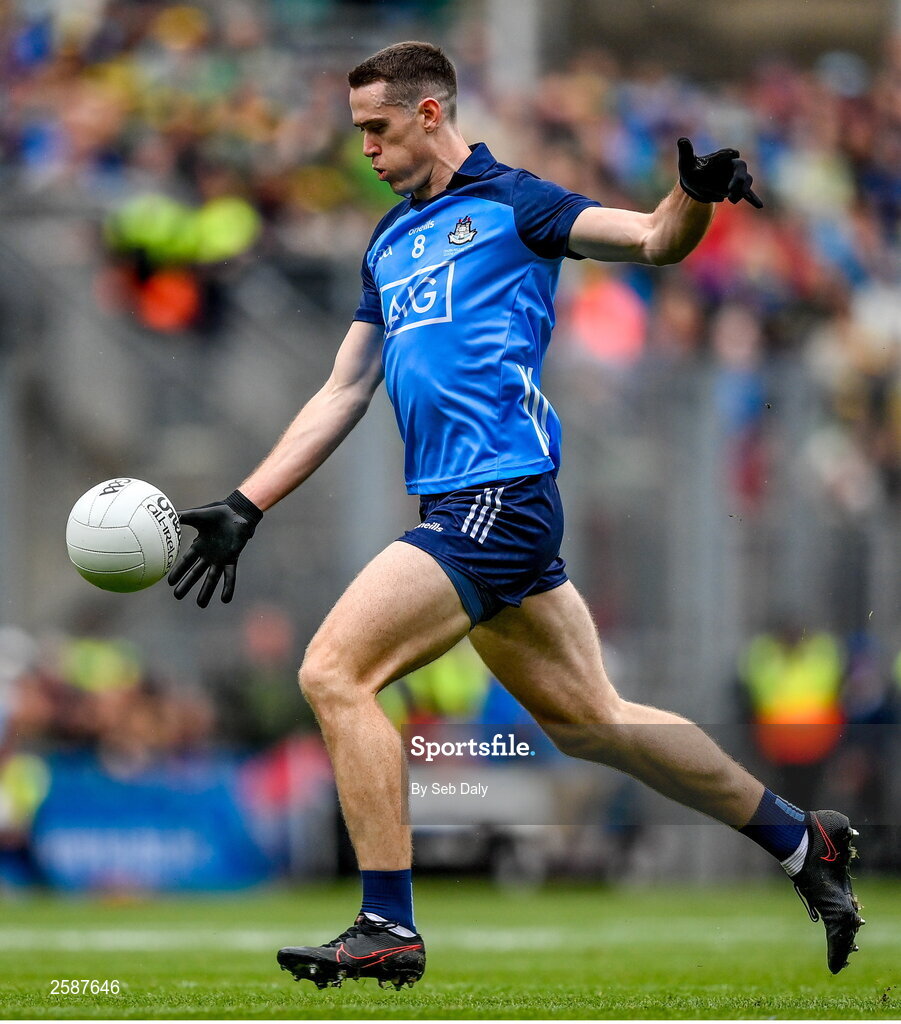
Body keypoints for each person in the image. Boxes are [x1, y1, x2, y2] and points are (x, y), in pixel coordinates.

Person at [168, 41, 863, 988]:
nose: (362, 148)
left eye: (375, 127)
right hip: (472, 506)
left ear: (428, 114)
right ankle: (800, 841)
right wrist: (248, 503)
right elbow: (342, 389)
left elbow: (654, 239)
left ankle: (387, 923)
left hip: (497, 496)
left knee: (334, 672)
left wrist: (692, 196)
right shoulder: (385, 243)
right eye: (355, 130)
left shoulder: (517, 203)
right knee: (592, 721)